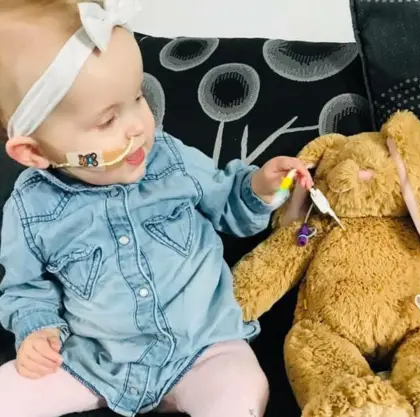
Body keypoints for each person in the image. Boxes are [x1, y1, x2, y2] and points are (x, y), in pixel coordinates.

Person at [0, 1, 313, 417]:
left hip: (202, 349)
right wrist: (36, 331)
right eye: (107, 120)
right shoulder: (29, 208)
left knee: (240, 391)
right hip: (94, 361)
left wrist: (261, 186)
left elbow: (230, 205)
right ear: (34, 152)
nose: (138, 125)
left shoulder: (170, 159)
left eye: (137, 98)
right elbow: (24, 288)